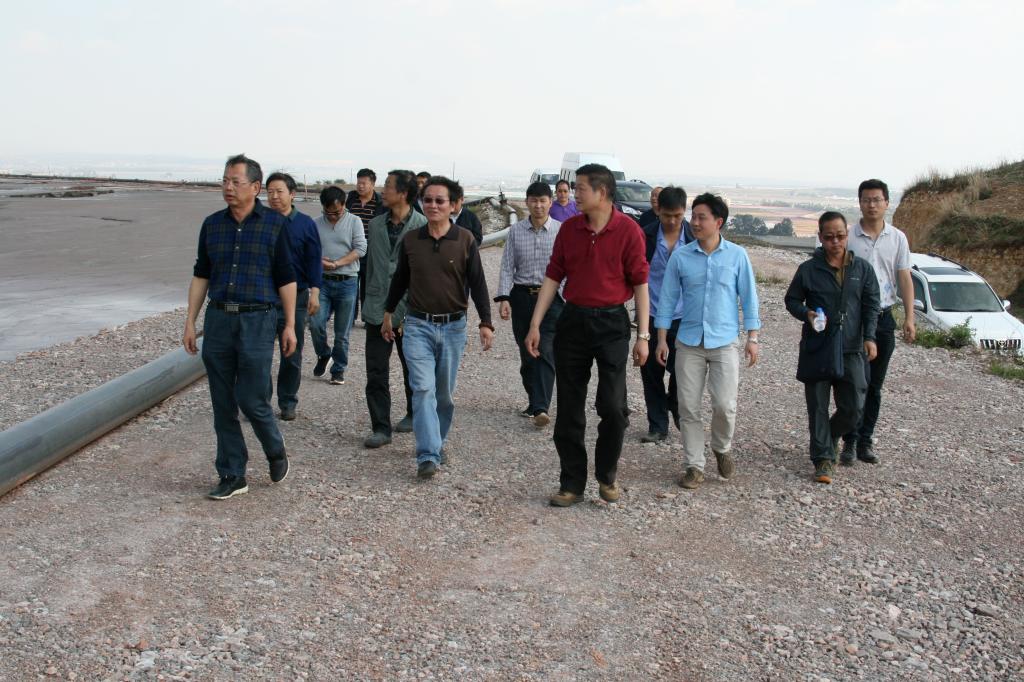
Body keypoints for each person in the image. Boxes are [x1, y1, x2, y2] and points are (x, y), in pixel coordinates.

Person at [525, 164, 650, 507]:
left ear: (602, 192)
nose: (573, 194)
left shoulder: (629, 230)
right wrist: (535, 324)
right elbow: (553, 277)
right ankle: (571, 483)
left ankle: (606, 475)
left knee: (613, 407)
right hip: (573, 320)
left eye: (580, 188)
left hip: (612, 324)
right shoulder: (570, 229)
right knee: (569, 407)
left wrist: (644, 336)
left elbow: (641, 284)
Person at [182, 154, 296, 500]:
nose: (228, 187)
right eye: (225, 181)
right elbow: (201, 274)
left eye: (236, 181)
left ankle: (274, 448)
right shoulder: (212, 225)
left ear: (255, 187)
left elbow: (286, 278)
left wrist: (290, 324)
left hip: (258, 320)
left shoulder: (275, 225)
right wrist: (190, 321)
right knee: (222, 401)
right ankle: (232, 473)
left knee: (251, 397)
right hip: (219, 319)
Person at [383, 176, 494, 478]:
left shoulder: (465, 240)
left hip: (453, 327)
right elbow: (400, 279)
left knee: (443, 395)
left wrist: (486, 322)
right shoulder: (411, 240)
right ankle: (428, 455)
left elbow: (478, 283)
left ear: (453, 205)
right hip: (417, 325)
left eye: (439, 200)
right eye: (428, 200)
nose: (432, 205)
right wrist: (389, 312)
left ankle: (437, 441)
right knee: (422, 389)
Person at [654, 193, 760, 490]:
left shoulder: (737, 256)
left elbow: (749, 298)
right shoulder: (681, 256)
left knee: (725, 405)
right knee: (688, 406)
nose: (695, 222)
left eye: (702, 217)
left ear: (718, 222)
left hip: (725, 341)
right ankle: (694, 465)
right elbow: (667, 299)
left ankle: (721, 447)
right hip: (688, 342)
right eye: (694, 216)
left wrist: (752, 337)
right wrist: (661, 339)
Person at [785, 212, 880, 484]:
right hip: (818, 346)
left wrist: (869, 337)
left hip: (851, 347)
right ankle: (823, 460)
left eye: (839, 236)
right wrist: (806, 314)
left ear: (847, 235)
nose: (835, 242)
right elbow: (792, 300)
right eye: (829, 237)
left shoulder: (862, 269)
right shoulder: (808, 269)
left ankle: (828, 436)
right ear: (820, 237)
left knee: (854, 407)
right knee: (817, 405)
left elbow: (871, 305)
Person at [840, 179, 915, 465]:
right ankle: (849, 440)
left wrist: (909, 317)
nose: (871, 205)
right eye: (866, 200)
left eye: (877, 200)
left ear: (886, 203)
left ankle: (865, 440)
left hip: (883, 318)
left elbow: (904, 277)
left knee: (874, 385)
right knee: (854, 382)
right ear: (859, 203)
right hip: (853, 320)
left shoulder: (898, 238)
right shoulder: (848, 237)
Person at [362, 170, 425, 448]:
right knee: (376, 370)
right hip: (377, 309)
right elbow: (371, 269)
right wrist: (367, 301)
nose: (382, 190)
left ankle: (413, 413)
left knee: (412, 368)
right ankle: (381, 427)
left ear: (403, 193)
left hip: (410, 311)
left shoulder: (422, 226)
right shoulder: (376, 225)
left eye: (387, 186)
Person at [495, 181, 562, 427]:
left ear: (550, 203)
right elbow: (507, 266)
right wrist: (504, 297)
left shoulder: (561, 231)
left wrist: (565, 297)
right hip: (522, 297)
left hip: (552, 298)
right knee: (527, 354)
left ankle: (541, 407)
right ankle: (535, 401)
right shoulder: (516, 231)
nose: (538, 205)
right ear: (527, 202)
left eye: (543, 200)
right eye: (534, 200)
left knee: (545, 349)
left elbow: (568, 267)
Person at [265, 172, 322, 420]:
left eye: (279, 191)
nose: (274, 196)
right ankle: (260, 402)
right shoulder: (261, 221)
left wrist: (315, 292)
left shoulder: (305, 224)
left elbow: (314, 260)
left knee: (291, 352)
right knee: (260, 353)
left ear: (292, 194)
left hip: (297, 297)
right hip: (265, 297)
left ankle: (288, 401)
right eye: (270, 192)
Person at [639, 186, 693, 443]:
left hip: (685, 315)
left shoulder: (694, 237)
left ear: (685, 212)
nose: (672, 221)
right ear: (658, 210)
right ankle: (657, 425)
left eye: (678, 216)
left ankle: (675, 402)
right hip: (651, 312)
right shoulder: (645, 236)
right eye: (667, 215)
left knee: (684, 370)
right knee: (651, 372)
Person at [311, 185, 366, 386]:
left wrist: (336, 264)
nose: (333, 216)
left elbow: (361, 248)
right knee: (315, 323)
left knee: (342, 333)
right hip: (322, 282)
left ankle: (338, 369)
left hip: (347, 282)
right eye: (329, 212)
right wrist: (318, 261)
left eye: (337, 212)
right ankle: (324, 354)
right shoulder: (316, 223)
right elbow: (309, 249)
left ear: (344, 205)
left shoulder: (354, 221)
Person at [346, 168, 386, 316]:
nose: (360, 186)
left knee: (368, 286)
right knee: (351, 284)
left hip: (371, 251)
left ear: (373, 184)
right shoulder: (352, 199)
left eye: (364, 183)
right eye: (358, 183)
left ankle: (366, 317)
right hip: (352, 250)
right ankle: (350, 316)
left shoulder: (380, 202)